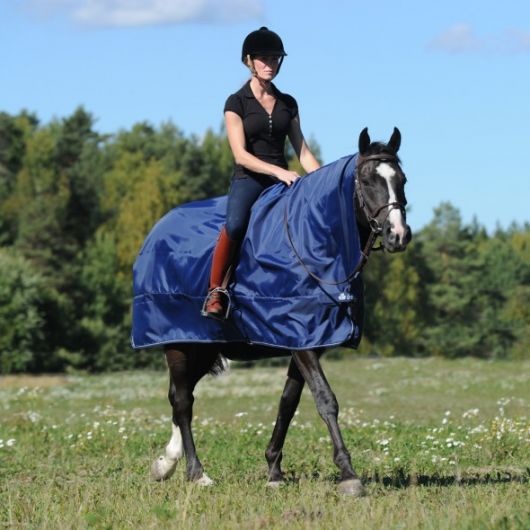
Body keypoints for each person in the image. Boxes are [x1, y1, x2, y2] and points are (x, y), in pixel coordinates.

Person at [202, 26, 320, 320]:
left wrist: (322, 182)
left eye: (275, 58)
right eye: (263, 58)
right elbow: (241, 155)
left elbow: (303, 152)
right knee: (236, 222)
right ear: (249, 61)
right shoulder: (235, 103)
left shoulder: (289, 103)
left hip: (285, 181)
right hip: (250, 179)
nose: (270, 64)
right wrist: (280, 172)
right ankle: (216, 291)